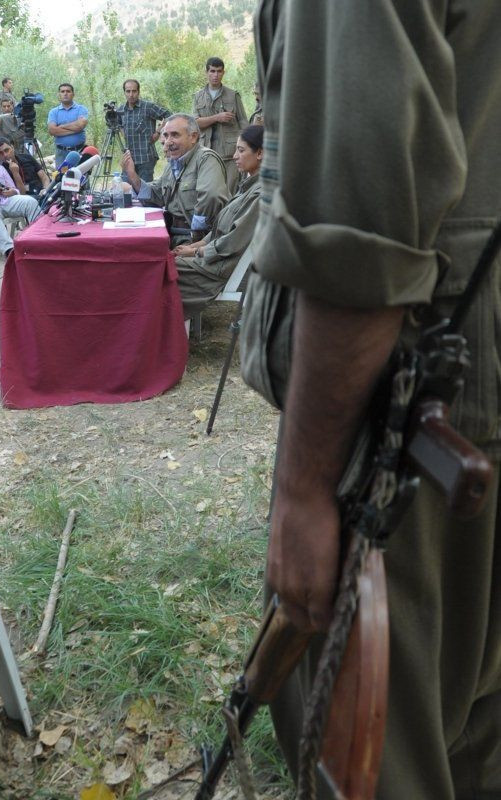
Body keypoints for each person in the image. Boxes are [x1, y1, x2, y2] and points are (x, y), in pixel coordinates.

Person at [240, 2, 501, 799]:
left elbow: (359, 227)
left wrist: (305, 487)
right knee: (479, 736)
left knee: (375, 765)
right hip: (463, 382)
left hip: (410, 407)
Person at [173, 125, 262, 320]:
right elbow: (221, 227)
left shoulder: (260, 194)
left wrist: (196, 251)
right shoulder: (248, 186)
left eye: (241, 150)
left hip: (218, 268)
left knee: (163, 269)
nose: (235, 156)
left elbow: (232, 242)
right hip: (214, 259)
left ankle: (163, 329)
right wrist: (195, 245)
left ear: (260, 153)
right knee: (164, 261)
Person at [121, 113, 229, 247]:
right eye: (166, 136)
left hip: (193, 239)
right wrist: (132, 175)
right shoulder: (174, 163)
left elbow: (211, 196)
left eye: (175, 135)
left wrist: (197, 234)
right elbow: (157, 194)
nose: (168, 142)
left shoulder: (206, 159)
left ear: (193, 137)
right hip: (172, 233)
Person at [192, 57, 248, 194]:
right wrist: (217, 117)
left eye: (219, 71)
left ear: (223, 72)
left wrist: (244, 149)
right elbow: (195, 123)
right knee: (210, 192)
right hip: (206, 153)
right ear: (206, 72)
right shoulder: (198, 97)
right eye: (212, 71)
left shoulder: (233, 95)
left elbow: (243, 123)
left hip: (230, 155)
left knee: (231, 192)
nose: (215, 75)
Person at [117, 79, 170, 183]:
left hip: (146, 157)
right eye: (128, 91)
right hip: (129, 158)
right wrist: (123, 133)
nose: (131, 95)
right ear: (124, 92)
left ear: (138, 92)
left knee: (144, 190)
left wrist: (158, 132)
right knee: (125, 188)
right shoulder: (121, 110)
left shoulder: (148, 107)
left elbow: (168, 115)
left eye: (134, 91)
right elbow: (117, 124)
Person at [47, 83, 89, 168]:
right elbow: (52, 130)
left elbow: (80, 125)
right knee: (62, 175)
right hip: (61, 154)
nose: (65, 93)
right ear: (59, 94)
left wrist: (61, 127)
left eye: (68, 91)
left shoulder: (81, 109)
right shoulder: (54, 112)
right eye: (62, 91)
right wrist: (76, 128)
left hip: (79, 151)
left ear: (73, 94)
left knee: (80, 175)